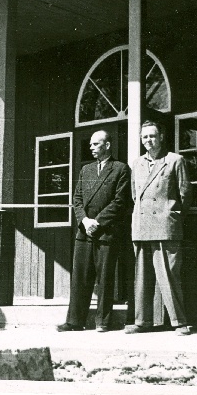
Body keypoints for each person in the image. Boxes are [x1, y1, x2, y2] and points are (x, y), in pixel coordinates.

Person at [57, 130, 132, 333]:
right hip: (85, 232)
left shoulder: (121, 169)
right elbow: (77, 199)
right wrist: (84, 220)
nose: (91, 147)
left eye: (96, 144)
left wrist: (97, 222)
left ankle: (103, 322)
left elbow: (120, 202)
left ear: (107, 145)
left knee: (105, 278)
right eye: (90, 144)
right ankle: (74, 321)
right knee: (80, 277)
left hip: (106, 231)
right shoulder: (86, 170)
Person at [126, 120, 192, 335]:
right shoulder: (136, 164)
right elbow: (135, 195)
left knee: (169, 276)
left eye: (152, 136)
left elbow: (185, 194)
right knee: (142, 278)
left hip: (165, 226)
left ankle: (179, 321)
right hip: (142, 226)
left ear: (161, 137)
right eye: (144, 137)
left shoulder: (175, 160)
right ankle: (142, 321)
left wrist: (172, 215)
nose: (148, 141)